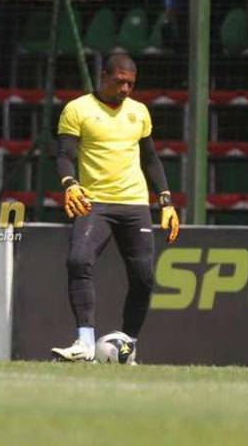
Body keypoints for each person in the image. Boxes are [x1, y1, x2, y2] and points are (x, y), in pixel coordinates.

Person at [51, 54, 179, 362]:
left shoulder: (139, 112)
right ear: (104, 75)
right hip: (95, 202)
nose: (125, 88)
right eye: (119, 81)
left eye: (131, 84)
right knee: (78, 260)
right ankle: (84, 343)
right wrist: (69, 183)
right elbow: (64, 154)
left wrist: (166, 201)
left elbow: (150, 159)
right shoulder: (78, 109)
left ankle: (129, 347)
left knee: (144, 278)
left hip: (135, 204)